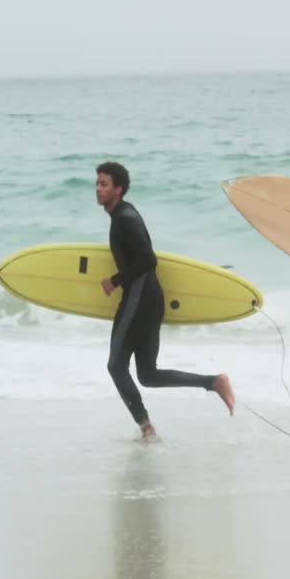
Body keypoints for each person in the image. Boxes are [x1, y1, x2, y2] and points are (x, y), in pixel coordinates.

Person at [95, 161, 236, 438]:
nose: (98, 190)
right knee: (147, 375)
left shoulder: (125, 218)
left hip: (139, 300)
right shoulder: (124, 215)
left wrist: (115, 280)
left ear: (118, 189)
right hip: (150, 301)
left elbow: (148, 259)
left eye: (104, 184)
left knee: (115, 366)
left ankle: (146, 428)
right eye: (97, 184)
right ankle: (215, 382)